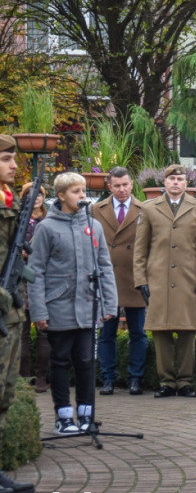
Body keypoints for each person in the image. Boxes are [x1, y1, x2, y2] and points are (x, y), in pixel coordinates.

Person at [28, 173, 118, 434]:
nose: (82, 196)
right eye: (75, 191)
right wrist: (39, 310)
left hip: (87, 305)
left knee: (86, 361)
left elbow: (104, 266)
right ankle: (63, 417)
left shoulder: (94, 226)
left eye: (83, 190)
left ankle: (86, 415)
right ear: (61, 196)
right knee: (60, 361)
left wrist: (109, 304)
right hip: (58, 306)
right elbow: (35, 272)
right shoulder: (46, 228)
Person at [134, 163, 196, 398]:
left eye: (180, 179)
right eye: (171, 179)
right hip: (158, 279)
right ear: (164, 183)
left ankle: (185, 381)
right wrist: (141, 280)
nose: (175, 183)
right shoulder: (149, 208)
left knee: (187, 331)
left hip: (188, 279)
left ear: (186, 184)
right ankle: (166, 382)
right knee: (161, 332)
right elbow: (140, 248)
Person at [0, 135, 36, 493]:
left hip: (9, 314)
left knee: (5, 393)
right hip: (3, 306)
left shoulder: (8, 203)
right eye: (6, 159)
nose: (14, 165)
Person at [93, 168, 147, 395]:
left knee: (138, 333)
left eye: (125, 184)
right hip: (107, 278)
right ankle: (108, 378)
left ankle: (136, 378)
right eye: (117, 186)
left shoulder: (144, 209)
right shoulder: (96, 210)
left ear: (132, 184)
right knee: (107, 334)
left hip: (134, 277)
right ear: (109, 187)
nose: (122, 189)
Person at [18, 182, 50, 393]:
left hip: (43, 280)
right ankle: (23, 377)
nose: (36, 197)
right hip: (20, 279)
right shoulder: (18, 220)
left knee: (44, 331)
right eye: (30, 194)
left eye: (39, 194)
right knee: (21, 331)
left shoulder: (49, 220)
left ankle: (41, 377)